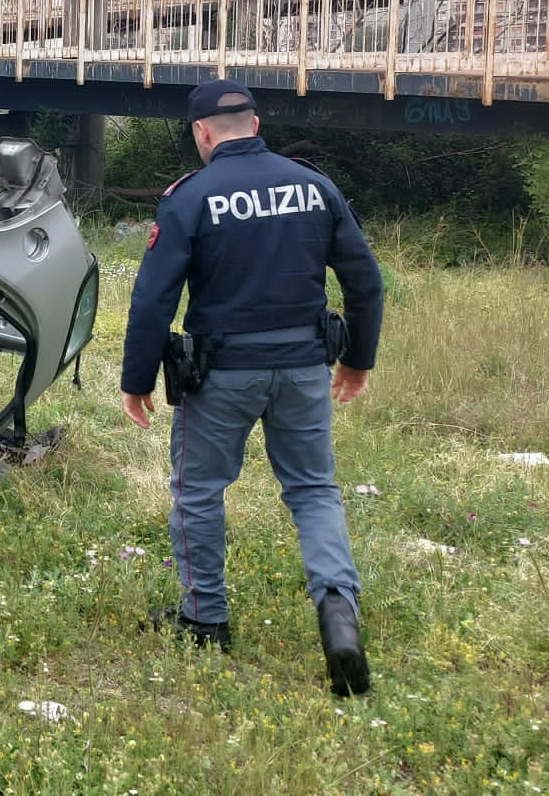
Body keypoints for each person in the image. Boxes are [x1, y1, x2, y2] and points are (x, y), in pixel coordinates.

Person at [119, 80, 384, 697]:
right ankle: (338, 613)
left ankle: (205, 619)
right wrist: (357, 361)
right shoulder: (313, 187)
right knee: (314, 490)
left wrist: (136, 380)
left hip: (221, 374)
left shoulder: (191, 197)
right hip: (304, 368)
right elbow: (365, 281)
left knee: (199, 491)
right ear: (256, 125)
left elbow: (154, 298)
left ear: (202, 132)